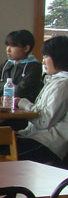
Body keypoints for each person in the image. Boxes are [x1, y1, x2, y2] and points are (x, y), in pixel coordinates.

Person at [15, 35, 68, 165]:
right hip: (36, 137)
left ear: (59, 58)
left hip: (48, 143)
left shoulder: (63, 84)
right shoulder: (54, 80)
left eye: (46, 57)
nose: (43, 62)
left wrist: (23, 103)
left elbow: (44, 121)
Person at [0, 29, 43, 103]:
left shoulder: (34, 67)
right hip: (1, 102)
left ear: (26, 48)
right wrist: (5, 87)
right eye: (7, 45)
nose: (8, 49)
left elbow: (20, 90)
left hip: (22, 105)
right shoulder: (7, 63)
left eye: (13, 46)